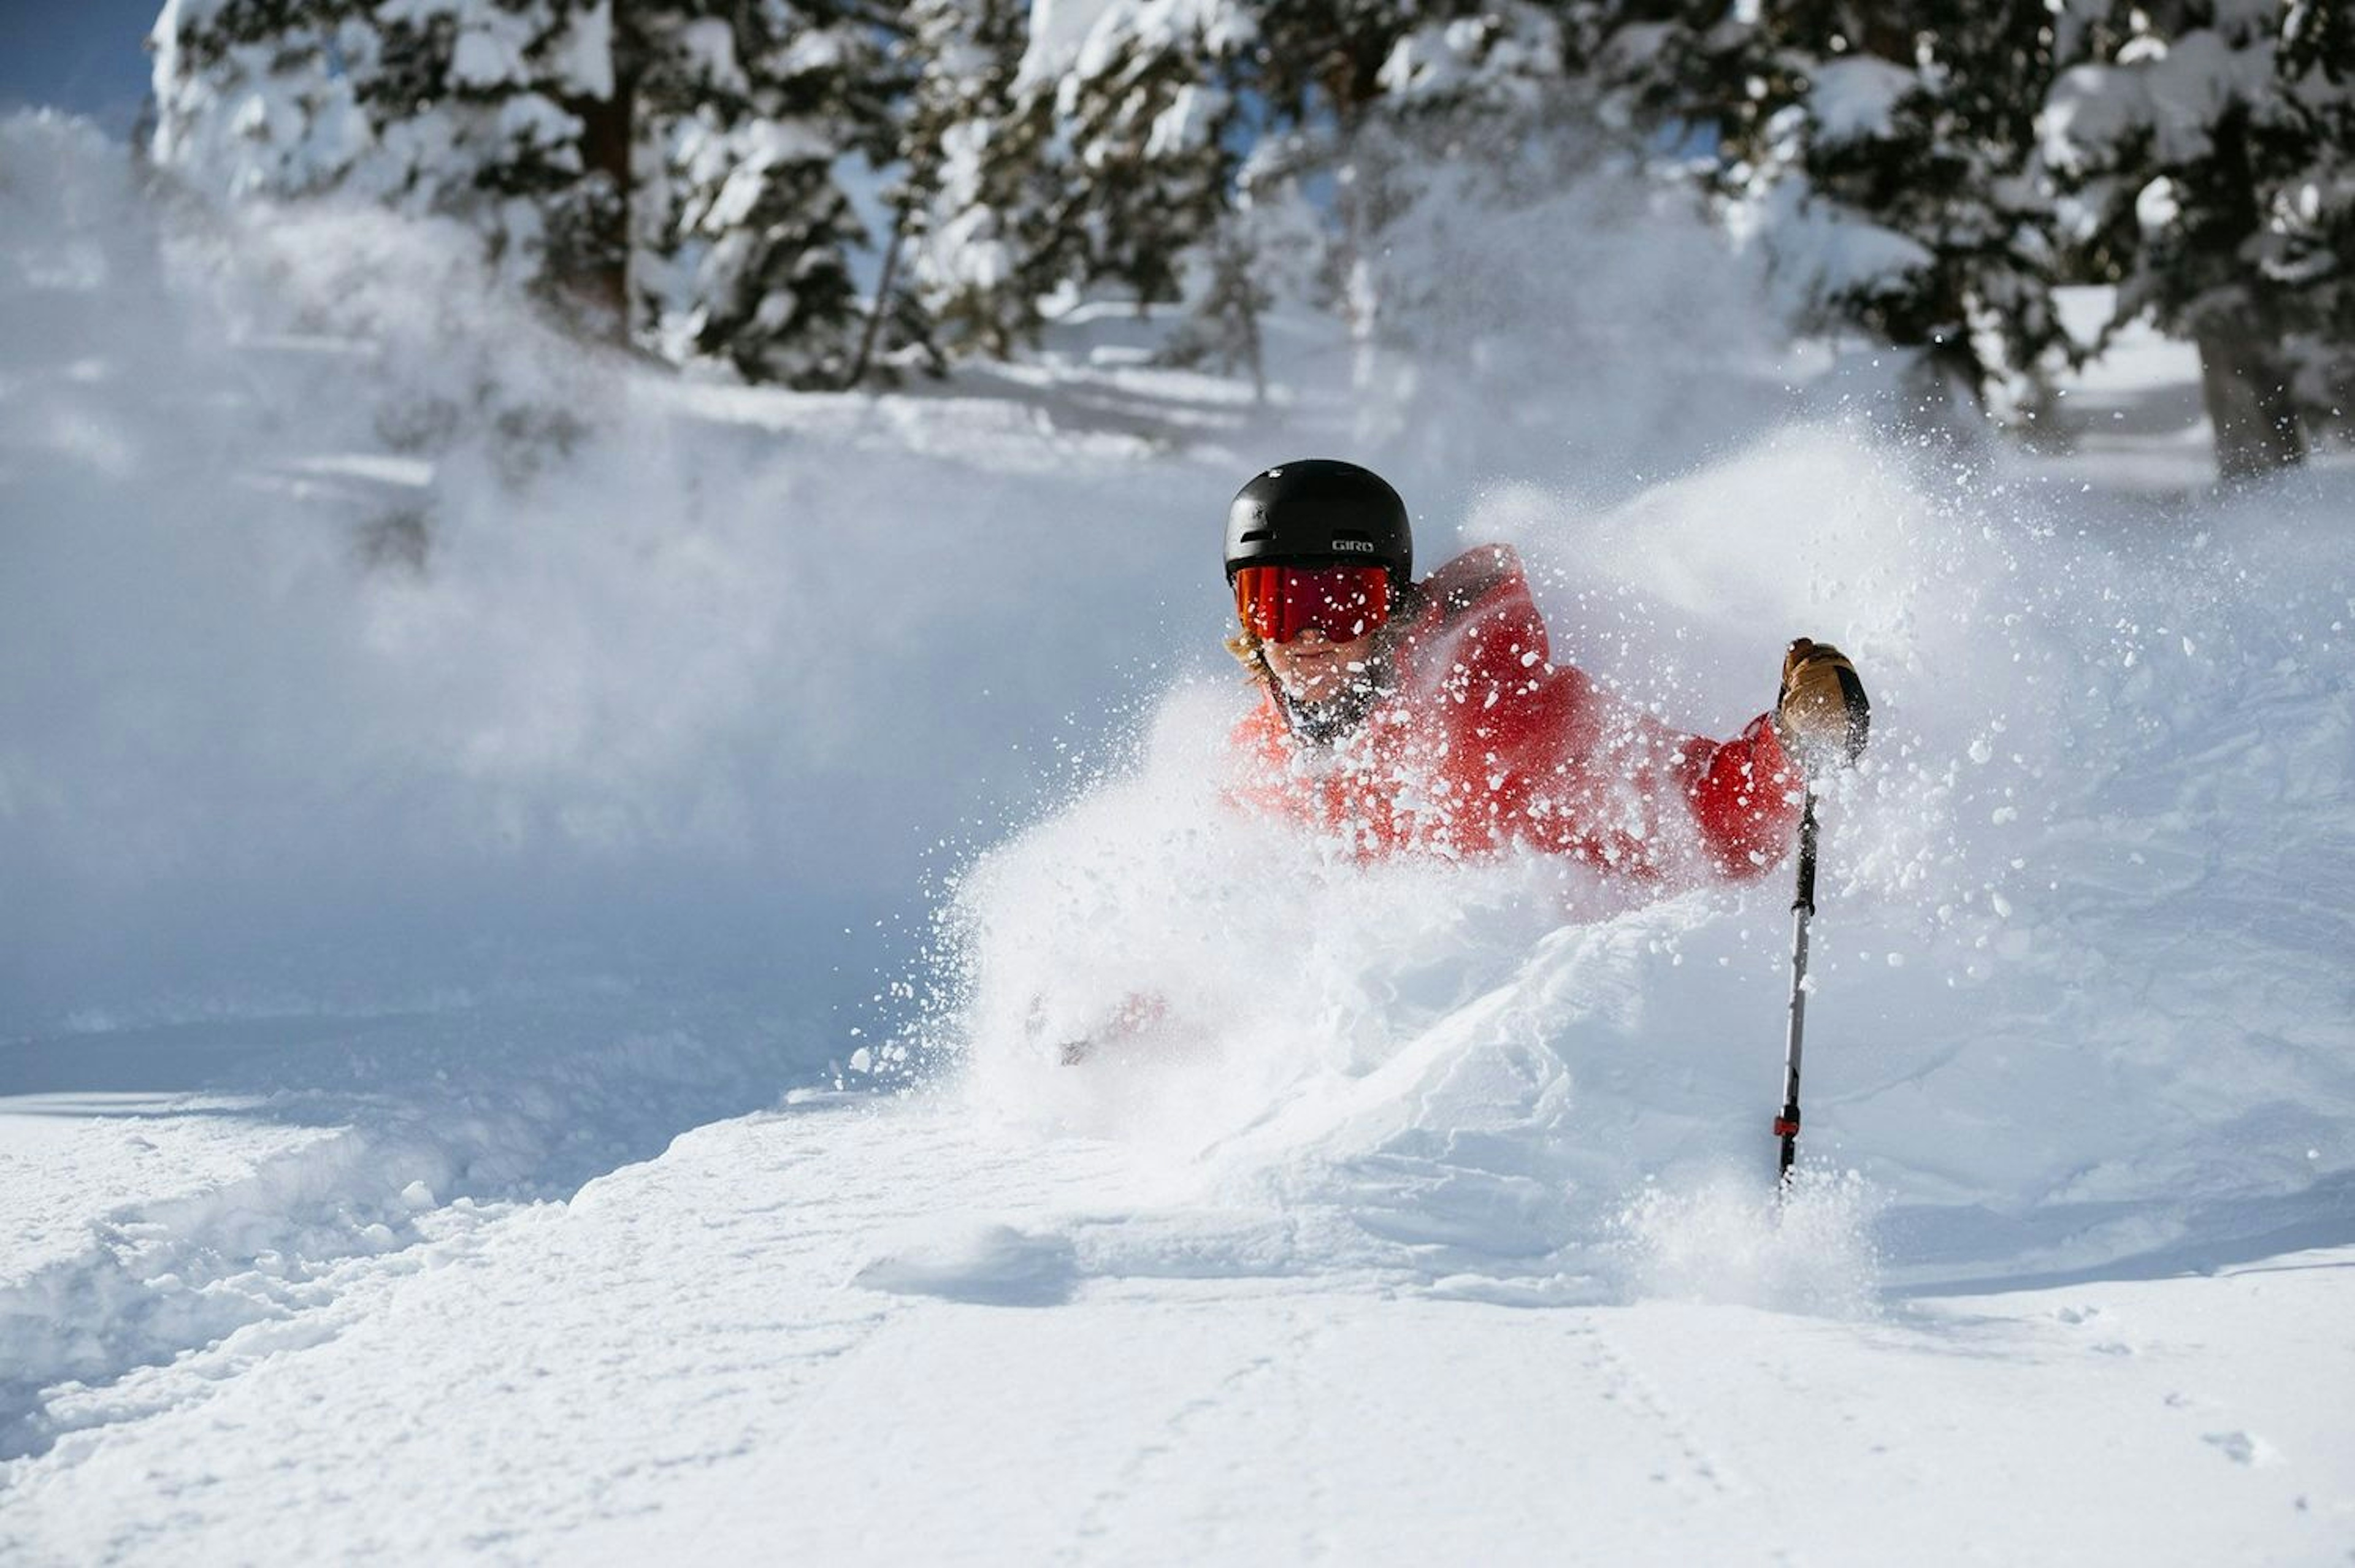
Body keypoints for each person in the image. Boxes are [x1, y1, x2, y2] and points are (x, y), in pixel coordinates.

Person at [1222, 459, 1869, 883]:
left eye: (1342, 603)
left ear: (1392, 604)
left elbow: (1708, 818)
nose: (1308, 633)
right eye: (1275, 603)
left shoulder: (1498, 721)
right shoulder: (1259, 758)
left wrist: (1791, 746)